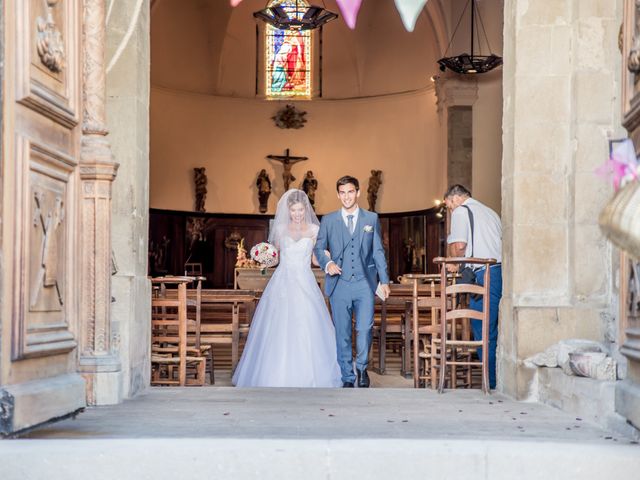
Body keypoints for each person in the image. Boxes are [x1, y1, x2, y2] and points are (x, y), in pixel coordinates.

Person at [233, 189, 342, 388]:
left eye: (301, 210)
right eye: (294, 210)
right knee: (278, 325)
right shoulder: (281, 229)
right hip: (282, 281)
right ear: (288, 210)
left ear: (306, 210)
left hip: (304, 281)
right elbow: (275, 257)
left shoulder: (314, 231)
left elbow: (315, 260)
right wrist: (264, 257)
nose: (298, 214)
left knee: (306, 323)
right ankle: (274, 374)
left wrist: (326, 256)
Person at [314, 176, 390, 388]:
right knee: (342, 332)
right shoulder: (329, 220)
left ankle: (362, 368)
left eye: (350, 192)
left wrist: (384, 280)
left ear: (357, 192)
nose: (346, 196)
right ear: (338, 195)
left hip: (365, 284)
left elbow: (378, 251)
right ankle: (347, 375)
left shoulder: (371, 219)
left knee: (365, 328)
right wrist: (327, 263)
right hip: (339, 284)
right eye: (342, 193)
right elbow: (319, 248)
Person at [444, 184, 502, 389]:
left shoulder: (461, 211)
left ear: (455, 199)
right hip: (498, 271)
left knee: (482, 328)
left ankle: (491, 382)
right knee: (492, 327)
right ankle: (496, 378)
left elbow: (460, 246)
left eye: (448, 206)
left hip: (482, 274)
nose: (450, 211)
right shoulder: (491, 213)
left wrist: (453, 260)